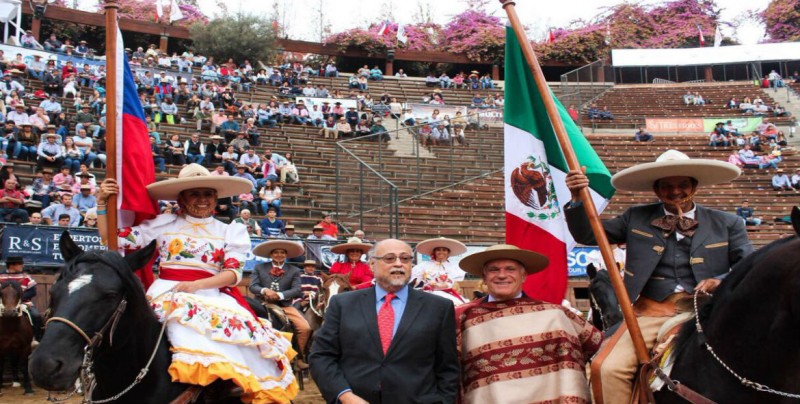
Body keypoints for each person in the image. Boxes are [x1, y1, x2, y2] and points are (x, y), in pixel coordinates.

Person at [96, 164, 298, 403]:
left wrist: (197, 285)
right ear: (181, 198)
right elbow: (112, 239)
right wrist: (101, 204)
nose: (203, 200)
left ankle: (221, 386)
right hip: (166, 291)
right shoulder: (163, 223)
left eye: (208, 194)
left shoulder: (229, 230)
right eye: (195, 194)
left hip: (211, 292)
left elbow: (233, 273)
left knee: (231, 336)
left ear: (215, 198)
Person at [564, 149, 753, 404]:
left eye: (683, 185)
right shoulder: (635, 217)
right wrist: (576, 199)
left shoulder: (728, 223)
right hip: (650, 313)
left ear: (694, 186)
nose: (676, 191)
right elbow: (587, 235)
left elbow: (746, 266)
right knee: (605, 369)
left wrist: (720, 280)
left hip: (708, 310)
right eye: (667, 186)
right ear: (656, 189)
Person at [309, 239, 460, 404]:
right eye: (389, 258)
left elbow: (447, 367)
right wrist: (345, 396)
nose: (398, 264)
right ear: (372, 264)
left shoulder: (439, 307)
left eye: (405, 259)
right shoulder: (342, 304)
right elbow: (321, 356)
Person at [455, 244, 602, 403]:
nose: (502, 275)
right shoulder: (462, 316)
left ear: (523, 276)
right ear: (484, 277)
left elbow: (596, 344)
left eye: (510, 269)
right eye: (494, 270)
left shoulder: (554, 315)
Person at [250, 240, 311, 369]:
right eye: (276, 252)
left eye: (282, 253)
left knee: (305, 328)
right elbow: (253, 286)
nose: (279, 255)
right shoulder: (259, 268)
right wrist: (265, 290)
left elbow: (296, 289)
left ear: (286, 255)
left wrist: (280, 295)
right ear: (271, 254)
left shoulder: (294, 270)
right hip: (261, 303)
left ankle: (297, 356)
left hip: (284, 306)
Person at [411, 237, 469, 306]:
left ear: (448, 252)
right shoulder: (424, 265)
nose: (441, 252)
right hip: (427, 292)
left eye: (444, 250)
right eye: (438, 250)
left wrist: (442, 286)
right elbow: (415, 281)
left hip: (447, 292)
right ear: (434, 252)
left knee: (456, 304)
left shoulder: (454, 267)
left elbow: (452, 283)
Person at [0, 256, 44, 342]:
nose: (23, 266)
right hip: (2, 303)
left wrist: (18, 299)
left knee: (36, 315)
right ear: (12, 265)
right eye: (20, 264)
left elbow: (32, 292)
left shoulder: (26, 277)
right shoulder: (1, 277)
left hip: (24, 303)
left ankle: (36, 338)